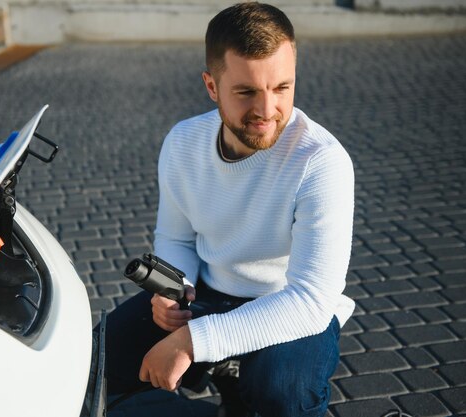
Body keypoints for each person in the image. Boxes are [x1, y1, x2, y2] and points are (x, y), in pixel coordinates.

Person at [104, 2, 355, 416]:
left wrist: (192, 342)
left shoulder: (321, 161)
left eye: (282, 88)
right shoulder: (183, 142)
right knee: (100, 356)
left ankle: (245, 391)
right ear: (211, 86)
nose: (267, 110)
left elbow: (311, 300)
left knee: (283, 391)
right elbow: (177, 237)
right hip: (208, 291)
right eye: (246, 92)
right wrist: (171, 289)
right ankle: (231, 393)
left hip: (287, 305)